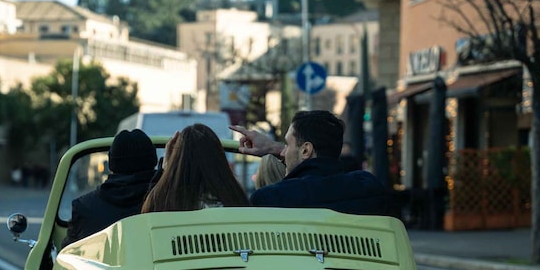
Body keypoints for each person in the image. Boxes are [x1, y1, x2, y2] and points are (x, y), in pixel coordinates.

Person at [230, 110, 389, 215]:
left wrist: (274, 148)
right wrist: (275, 148)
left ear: (306, 150)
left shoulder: (269, 198)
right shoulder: (368, 188)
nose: (284, 151)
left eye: (287, 144)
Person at [62, 129, 158, 248]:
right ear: (153, 160)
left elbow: (68, 254)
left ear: (111, 163)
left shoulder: (84, 207)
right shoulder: (172, 202)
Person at [142, 123, 250, 213]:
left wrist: (166, 168)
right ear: (219, 159)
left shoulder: (160, 202)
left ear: (176, 161)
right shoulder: (236, 201)